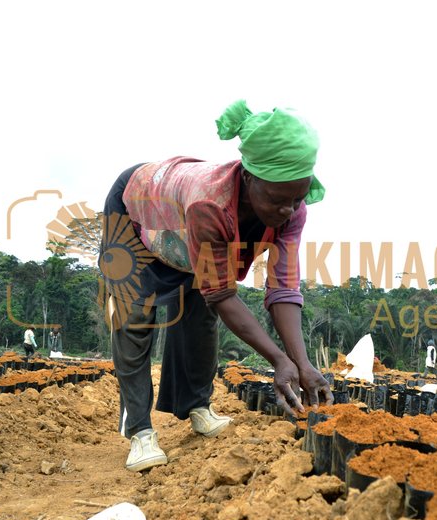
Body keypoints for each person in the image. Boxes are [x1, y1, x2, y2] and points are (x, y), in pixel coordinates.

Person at [99, 99, 334, 472]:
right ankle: (140, 431)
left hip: (184, 234)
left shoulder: (291, 210)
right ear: (250, 178)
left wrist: (302, 363)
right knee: (133, 317)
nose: (288, 210)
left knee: (198, 315)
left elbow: (283, 289)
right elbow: (223, 293)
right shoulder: (211, 205)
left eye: (297, 198)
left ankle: (196, 405)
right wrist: (277, 360)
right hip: (135, 212)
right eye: (278, 199)